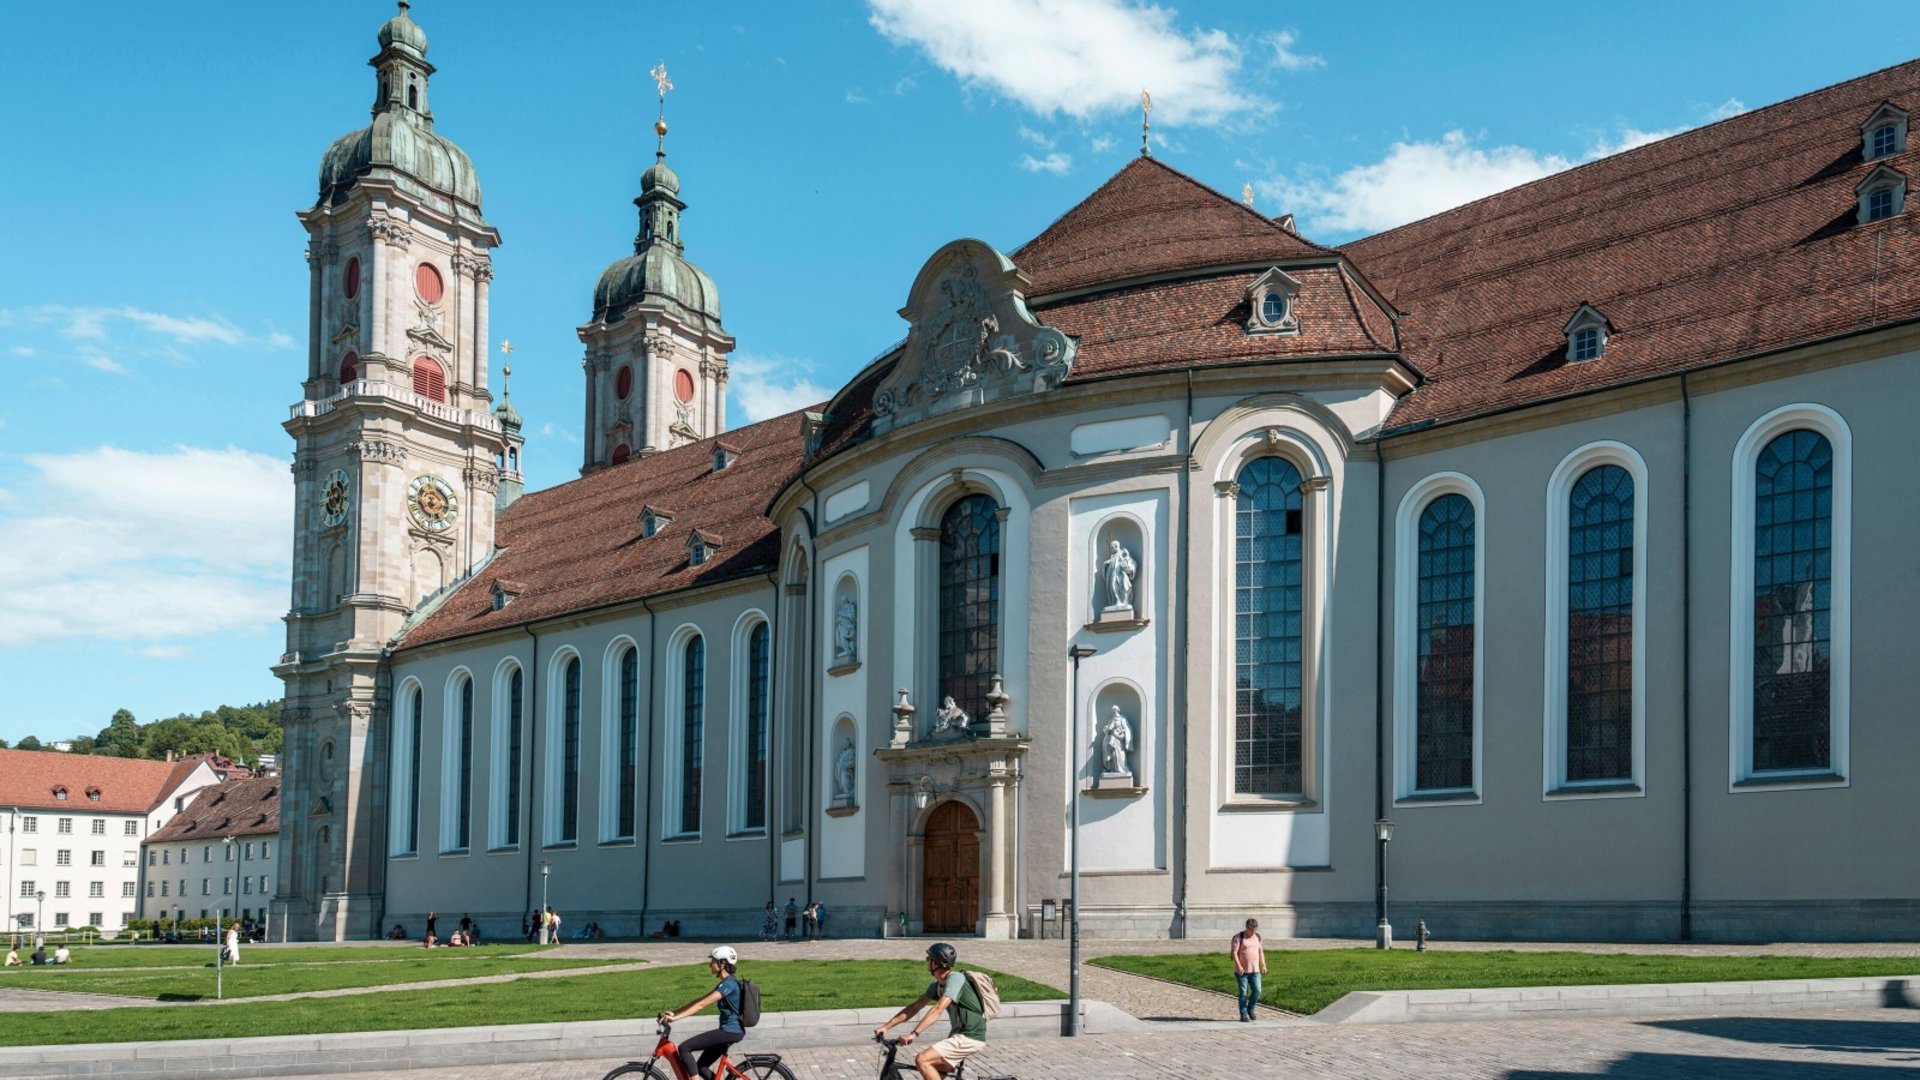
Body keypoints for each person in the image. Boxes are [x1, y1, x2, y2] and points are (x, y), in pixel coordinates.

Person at [874, 942, 987, 1080]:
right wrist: (886, 1027)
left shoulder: (956, 978)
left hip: (969, 1036)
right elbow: (915, 1007)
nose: (927, 962)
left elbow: (938, 1009)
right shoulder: (937, 985)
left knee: (922, 1060)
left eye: (929, 959)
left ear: (936, 963)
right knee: (934, 1070)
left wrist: (913, 1034)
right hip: (958, 1035)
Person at [660, 945, 746, 1080]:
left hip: (730, 1031)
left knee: (684, 1048)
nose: (709, 964)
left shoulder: (729, 984)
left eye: (712, 961)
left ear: (722, 963)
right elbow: (700, 1000)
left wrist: (675, 1019)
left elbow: (701, 1005)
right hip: (729, 1031)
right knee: (701, 1067)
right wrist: (674, 1013)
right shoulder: (726, 983)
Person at [1230, 918, 1267, 1022]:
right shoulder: (1239, 937)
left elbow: (1261, 952)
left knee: (1257, 990)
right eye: (1251, 930)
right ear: (1247, 928)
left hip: (1255, 970)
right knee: (1243, 993)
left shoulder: (1257, 937)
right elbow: (1234, 953)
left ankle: (1250, 1008)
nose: (1253, 932)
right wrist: (1239, 966)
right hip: (1242, 972)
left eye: (1255, 930)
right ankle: (1243, 1013)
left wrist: (1263, 964)